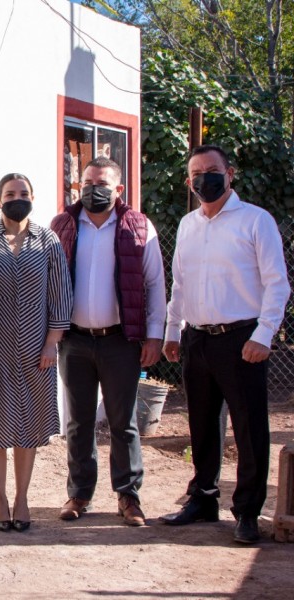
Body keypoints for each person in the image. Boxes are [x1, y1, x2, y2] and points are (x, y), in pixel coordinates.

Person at [159, 145, 290, 544]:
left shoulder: (255, 221)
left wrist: (263, 335)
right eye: (196, 173)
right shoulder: (187, 225)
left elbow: (276, 283)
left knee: (249, 427)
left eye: (212, 171)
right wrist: (172, 330)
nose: (204, 179)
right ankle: (203, 498)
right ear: (189, 181)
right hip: (197, 338)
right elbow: (179, 283)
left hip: (241, 340)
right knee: (200, 423)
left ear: (229, 173)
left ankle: (247, 511)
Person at [50, 156, 165, 527]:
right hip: (75, 342)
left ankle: (128, 496)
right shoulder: (63, 225)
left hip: (120, 341)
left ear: (118, 189)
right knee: (78, 422)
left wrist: (154, 335)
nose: (91, 190)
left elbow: (154, 285)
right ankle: (79, 493)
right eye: (86, 182)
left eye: (100, 184)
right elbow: (49, 283)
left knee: (123, 422)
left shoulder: (138, 226)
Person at [0, 173, 73, 533]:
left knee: (28, 425)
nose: (17, 198)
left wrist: (51, 342)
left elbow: (61, 294)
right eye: (10, 194)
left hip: (35, 350)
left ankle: (22, 498)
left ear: (33, 197)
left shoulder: (48, 241)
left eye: (23, 193)